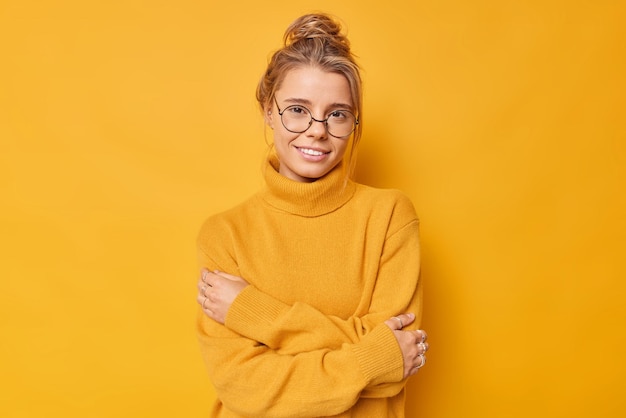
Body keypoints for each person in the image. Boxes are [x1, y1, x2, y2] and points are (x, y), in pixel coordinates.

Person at [195, 12, 428, 417]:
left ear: (354, 122)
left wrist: (254, 312)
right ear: (269, 110)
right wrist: (370, 356)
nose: (318, 130)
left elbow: (398, 361)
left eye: (337, 113)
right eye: (298, 110)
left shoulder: (390, 216)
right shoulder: (224, 234)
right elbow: (243, 387)